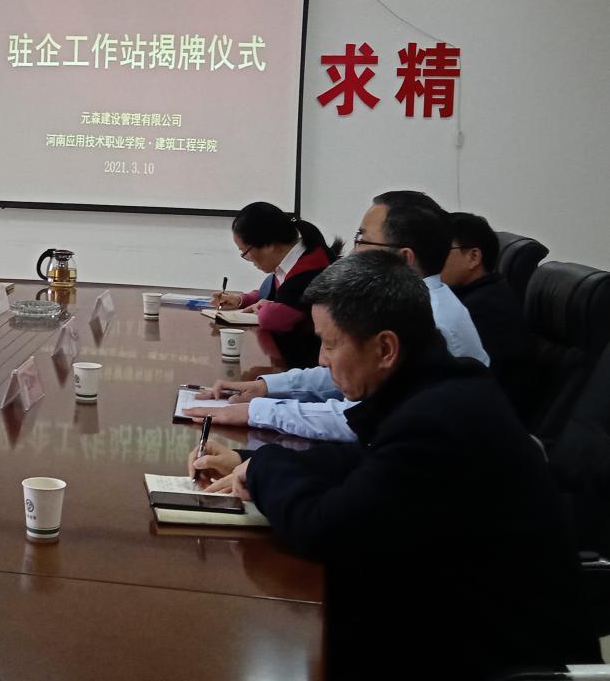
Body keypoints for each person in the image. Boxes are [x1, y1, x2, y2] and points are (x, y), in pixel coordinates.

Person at [189, 251, 595, 680]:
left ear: (385, 348)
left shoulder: (437, 419)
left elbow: (327, 530)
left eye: (330, 344)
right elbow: (365, 462)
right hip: (447, 615)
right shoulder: (437, 387)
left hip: (488, 655)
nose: (322, 360)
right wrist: (247, 460)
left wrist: (264, 468)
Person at [185, 191, 488, 440]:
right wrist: (266, 387)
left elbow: (356, 419)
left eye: (362, 240)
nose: (353, 252)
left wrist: (258, 411)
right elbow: (345, 371)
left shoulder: (431, 320)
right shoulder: (410, 303)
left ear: (404, 258)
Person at [210, 202, 343, 368]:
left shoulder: (311, 268)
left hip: (313, 366)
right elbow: (273, 293)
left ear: (269, 245)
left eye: (245, 252)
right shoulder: (294, 258)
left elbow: (271, 319)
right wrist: (241, 300)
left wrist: (264, 307)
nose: (248, 259)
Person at [443, 210, 537, 420]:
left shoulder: (485, 308)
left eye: (441, 250)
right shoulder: (470, 293)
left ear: (473, 257)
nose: (432, 258)